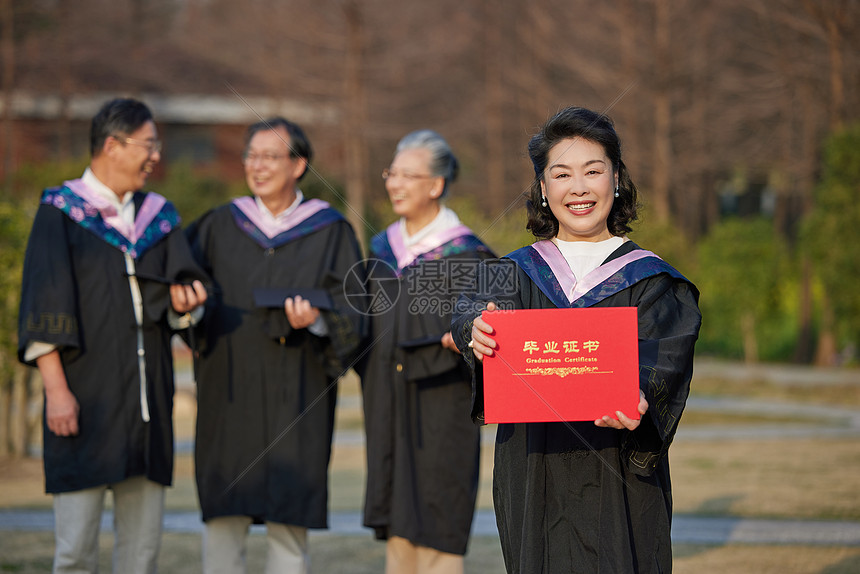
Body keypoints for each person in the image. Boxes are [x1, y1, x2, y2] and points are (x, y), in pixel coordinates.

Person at [451, 106, 702, 573]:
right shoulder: (516, 271)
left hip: (619, 474)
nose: (579, 188)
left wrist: (643, 394)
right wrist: (474, 331)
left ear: (617, 179)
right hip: (532, 470)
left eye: (593, 171)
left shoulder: (651, 279)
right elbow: (469, 310)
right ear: (543, 190)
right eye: (561, 174)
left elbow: (664, 358)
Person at [17, 97, 209, 574]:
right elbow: (43, 308)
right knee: (76, 553)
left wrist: (189, 304)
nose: (156, 156)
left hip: (147, 411)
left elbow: (181, 300)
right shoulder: (60, 213)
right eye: (149, 145)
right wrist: (57, 393)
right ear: (112, 146)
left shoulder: (159, 219)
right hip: (83, 407)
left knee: (141, 555)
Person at [184, 117, 366, 574]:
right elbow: (186, 292)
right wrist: (189, 305)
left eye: (269, 156)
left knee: (289, 530)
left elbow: (355, 310)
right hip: (229, 392)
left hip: (297, 395)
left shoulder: (330, 230)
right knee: (224, 525)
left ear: (298, 164)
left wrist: (320, 321)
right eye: (251, 156)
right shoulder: (218, 225)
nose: (257, 166)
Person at [359, 130, 494, 574]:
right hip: (389, 404)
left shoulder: (470, 256)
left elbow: (494, 337)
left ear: (435, 185)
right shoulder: (383, 250)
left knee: (437, 522)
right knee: (397, 525)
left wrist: (467, 341)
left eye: (407, 175)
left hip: (443, 408)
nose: (394, 183)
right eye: (391, 173)